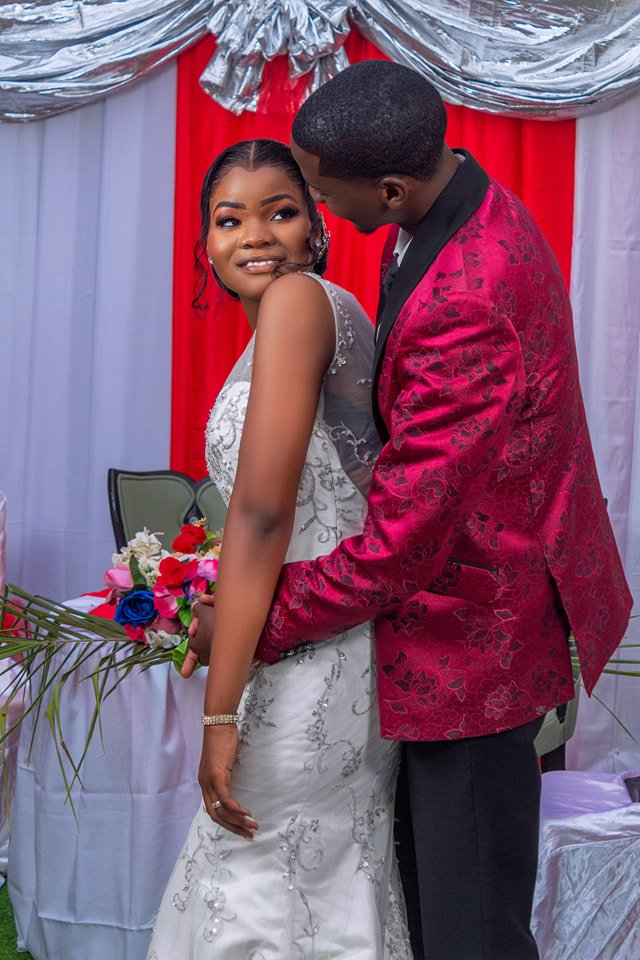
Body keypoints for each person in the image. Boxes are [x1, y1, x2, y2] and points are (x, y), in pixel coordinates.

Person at [188, 62, 632, 960]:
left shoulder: (467, 296)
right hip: (439, 622)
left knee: (469, 932)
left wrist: (256, 621)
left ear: (390, 189)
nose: (315, 204)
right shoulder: (450, 207)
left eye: (317, 192)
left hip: (475, 646)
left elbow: (400, 545)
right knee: (418, 911)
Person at [147, 139, 412, 959]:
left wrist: (218, 714)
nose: (255, 235)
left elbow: (264, 516)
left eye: (281, 212)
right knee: (308, 882)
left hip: (313, 663)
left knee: (256, 874)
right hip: (320, 644)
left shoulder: (298, 301)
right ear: (206, 244)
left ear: (316, 229)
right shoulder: (303, 318)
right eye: (230, 220)